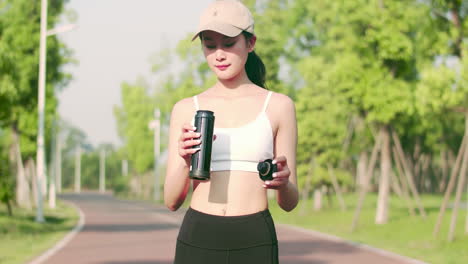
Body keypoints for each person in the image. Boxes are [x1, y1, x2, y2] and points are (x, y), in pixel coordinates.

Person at [164, 0, 298, 263]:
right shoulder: (186, 109)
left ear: (250, 43)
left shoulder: (279, 106)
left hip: (255, 238)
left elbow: (290, 202)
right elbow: (171, 201)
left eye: (228, 43)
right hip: (198, 236)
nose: (219, 55)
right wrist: (184, 160)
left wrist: (283, 181)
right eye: (210, 45)